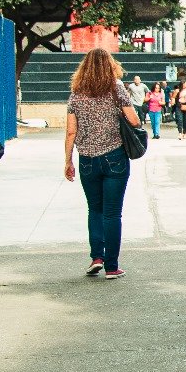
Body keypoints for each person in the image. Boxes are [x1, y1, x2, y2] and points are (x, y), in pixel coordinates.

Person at [65, 48, 142, 280]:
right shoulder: (116, 88)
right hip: (114, 158)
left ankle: (96, 257)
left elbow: (71, 131)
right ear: (109, 65)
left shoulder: (76, 93)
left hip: (87, 159)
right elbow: (134, 120)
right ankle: (112, 266)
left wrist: (68, 160)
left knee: (94, 210)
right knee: (112, 213)